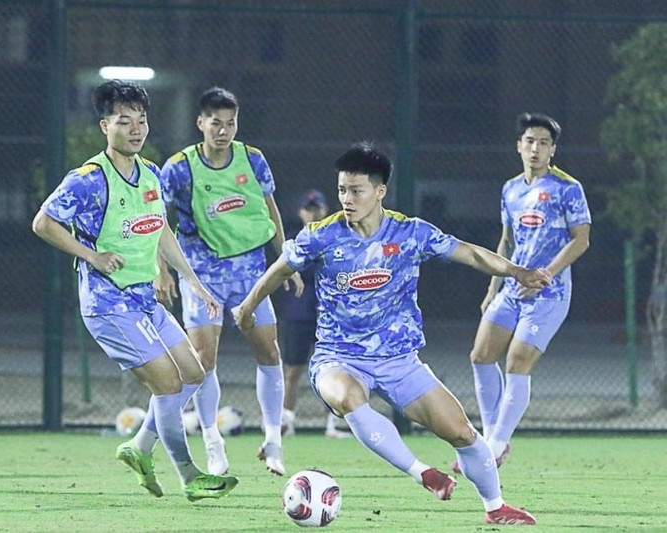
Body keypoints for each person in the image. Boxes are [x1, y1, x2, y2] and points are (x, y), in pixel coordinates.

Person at [233, 142, 545, 525]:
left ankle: (495, 507)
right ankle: (422, 472)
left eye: (357, 190)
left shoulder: (410, 233)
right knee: (348, 397)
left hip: (399, 360)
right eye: (342, 190)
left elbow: (469, 253)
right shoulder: (321, 235)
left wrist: (517, 272)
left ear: (379, 191)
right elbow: (281, 267)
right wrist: (248, 306)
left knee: (463, 433)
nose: (347, 199)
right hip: (338, 358)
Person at [32, 80, 238, 502]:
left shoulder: (151, 174)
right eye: (125, 121)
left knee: (194, 373)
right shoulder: (88, 179)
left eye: (141, 120)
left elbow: (161, 231)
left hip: (144, 299)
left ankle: (140, 446)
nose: (136, 129)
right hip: (109, 304)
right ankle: (189, 476)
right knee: (168, 384)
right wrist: (92, 256)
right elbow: (43, 223)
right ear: (105, 126)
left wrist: (194, 282)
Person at [141, 87, 302, 477]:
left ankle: (273, 441)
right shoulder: (179, 168)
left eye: (231, 123)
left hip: (250, 275)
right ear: (200, 123)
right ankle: (213, 442)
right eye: (216, 123)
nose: (224, 131)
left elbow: (270, 210)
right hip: (202, 277)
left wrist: (286, 260)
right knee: (203, 361)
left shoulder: (253, 159)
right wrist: (162, 269)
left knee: (269, 352)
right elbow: (157, 219)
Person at [452, 113, 591, 473]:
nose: (535, 148)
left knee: (517, 362)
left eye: (544, 143)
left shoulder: (567, 188)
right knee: (481, 355)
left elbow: (581, 239)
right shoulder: (511, 189)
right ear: (519, 145)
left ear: (553, 149)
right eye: (530, 141)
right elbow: (507, 240)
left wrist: (546, 274)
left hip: (548, 294)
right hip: (512, 288)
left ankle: (493, 447)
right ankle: (492, 438)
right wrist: (493, 286)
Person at [275, 189, 350, 439]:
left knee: (334, 369)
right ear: (300, 212)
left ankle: (333, 423)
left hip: (330, 315)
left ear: (325, 210)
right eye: (308, 209)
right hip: (299, 314)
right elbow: (292, 269)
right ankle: (286, 421)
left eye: (317, 208)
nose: (313, 213)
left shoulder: (337, 237)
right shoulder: (294, 240)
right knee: (292, 369)